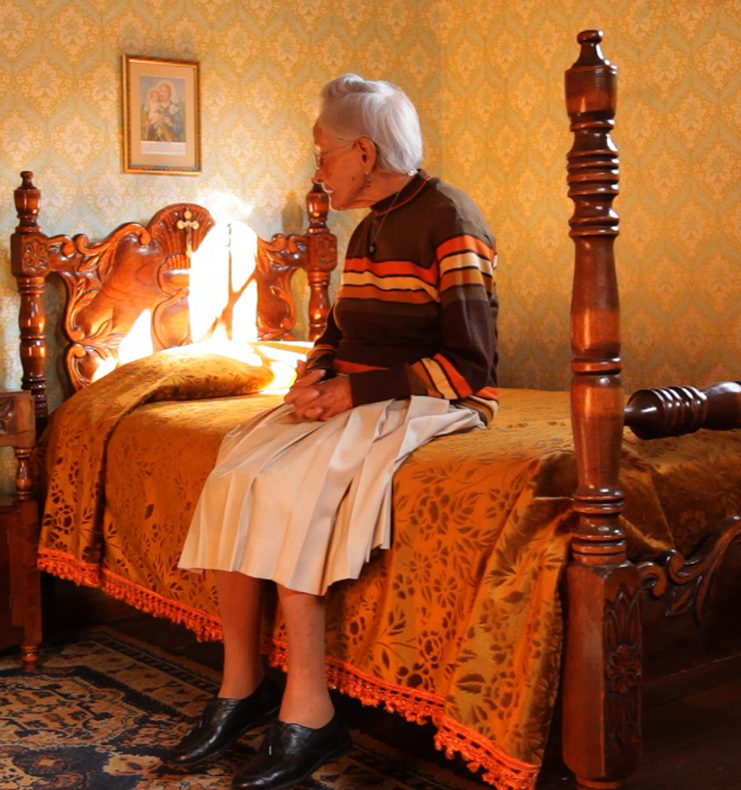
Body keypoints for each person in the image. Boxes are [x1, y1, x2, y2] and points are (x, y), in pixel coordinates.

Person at [169, 73, 498, 790]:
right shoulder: (371, 223)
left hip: (428, 397)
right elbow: (341, 330)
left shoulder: (450, 219)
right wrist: (316, 373)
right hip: (358, 392)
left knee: (295, 489)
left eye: (323, 152)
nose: (317, 168)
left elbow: (471, 365)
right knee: (236, 471)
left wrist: (354, 390)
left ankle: (311, 713)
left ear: (364, 153)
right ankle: (241, 686)